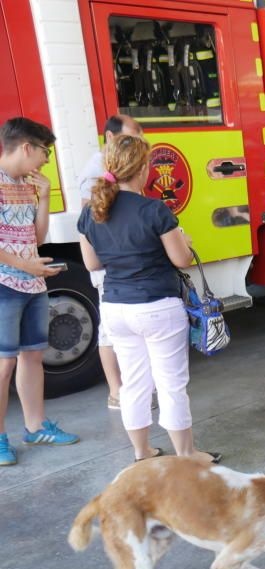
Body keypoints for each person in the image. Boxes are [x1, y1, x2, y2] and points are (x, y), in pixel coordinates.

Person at [76, 134, 219, 465]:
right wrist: (183, 239)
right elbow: (181, 260)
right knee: (170, 383)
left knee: (134, 383)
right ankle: (186, 454)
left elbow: (92, 264)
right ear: (141, 169)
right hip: (157, 306)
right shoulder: (154, 210)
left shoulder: (92, 212)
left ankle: (142, 452)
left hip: (116, 308)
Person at [0, 117, 81, 467]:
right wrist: (24, 266)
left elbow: (38, 237)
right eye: (44, 152)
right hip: (4, 284)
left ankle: (35, 427)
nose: (46, 160)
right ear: (26, 147)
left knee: (32, 355)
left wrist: (46, 195)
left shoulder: (26, 184)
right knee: (4, 363)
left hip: (32, 282)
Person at [78, 114, 145, 410]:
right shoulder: (95, 169)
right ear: (109, 137)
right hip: (111, 266)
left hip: (127, 263)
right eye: (130, 136)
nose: (136, 142)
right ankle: (117, 391)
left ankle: (134, 389)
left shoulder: (122, 165)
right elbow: (89, 223)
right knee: (109, 330)